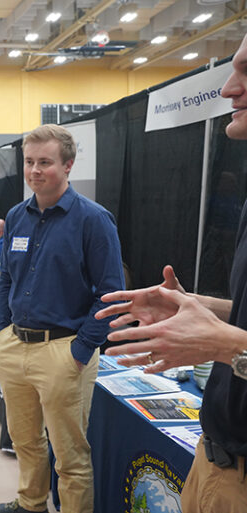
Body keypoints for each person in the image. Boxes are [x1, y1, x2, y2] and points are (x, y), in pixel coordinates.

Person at [95, 36, 247, 513]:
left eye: (246, 72)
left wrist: (225, 345)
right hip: (215, 461)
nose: (227, 89)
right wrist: (196, 305)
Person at [0, 124, 124, 513]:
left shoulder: (93, 220)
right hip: (16, 346)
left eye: (44, 162)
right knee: (25, 440)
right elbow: (8, 278)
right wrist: (2, 332)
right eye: (29, 162)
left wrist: (81, 350)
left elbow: (109, 294)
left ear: (67, 165)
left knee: (70, 456)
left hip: (64, 351)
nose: (34, 171)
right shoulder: (16, 215)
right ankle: (31, 504)